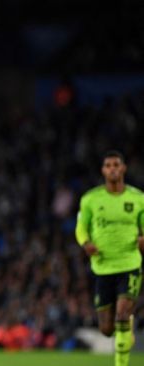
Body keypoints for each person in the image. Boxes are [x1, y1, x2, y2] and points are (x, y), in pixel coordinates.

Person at [75, 150, 144, 366]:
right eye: (108, 165)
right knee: (106, 329)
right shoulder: (90, 199)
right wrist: (86, 243)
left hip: (129, 264)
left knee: (122, 314)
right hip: (103, 267)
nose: (113, 168)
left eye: (116, 164)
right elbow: (80, 228)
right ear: (103, 171)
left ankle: (120, 363)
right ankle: (126, 329)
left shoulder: (138, 198)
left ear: (123, 169)